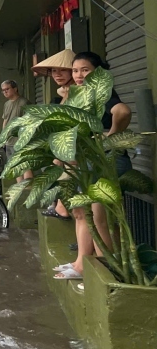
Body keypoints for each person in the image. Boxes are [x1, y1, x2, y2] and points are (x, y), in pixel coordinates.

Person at [56, 52, 132, 281]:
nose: (79, 75)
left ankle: (107, 272)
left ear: (98, 72)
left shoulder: (102, 92)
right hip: (88, 164)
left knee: (100, 218)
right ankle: (82, 264)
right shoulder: (82, 95)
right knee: (82, 212)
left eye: (85, 70)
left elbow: (123, 111)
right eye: (75, 70)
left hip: (106, 162)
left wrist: (110, 139)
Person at [33, 50, 76, 218]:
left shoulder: (80, 94)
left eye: (63, 70)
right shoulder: (60, 96)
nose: (57, 74)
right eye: (53, 71)